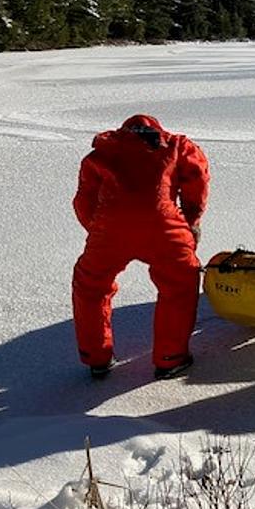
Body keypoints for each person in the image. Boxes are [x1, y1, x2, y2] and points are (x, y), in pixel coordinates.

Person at [72, 114, 209, 380]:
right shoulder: (177, 146)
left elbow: (84, 200)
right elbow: (197, 182)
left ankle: (96, 358)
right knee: (181, 282)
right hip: (165, 226)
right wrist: (191, 222)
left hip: (109, 229)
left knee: (90, 284)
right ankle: (171, 359)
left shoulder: (103, 151)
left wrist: (100, 231)